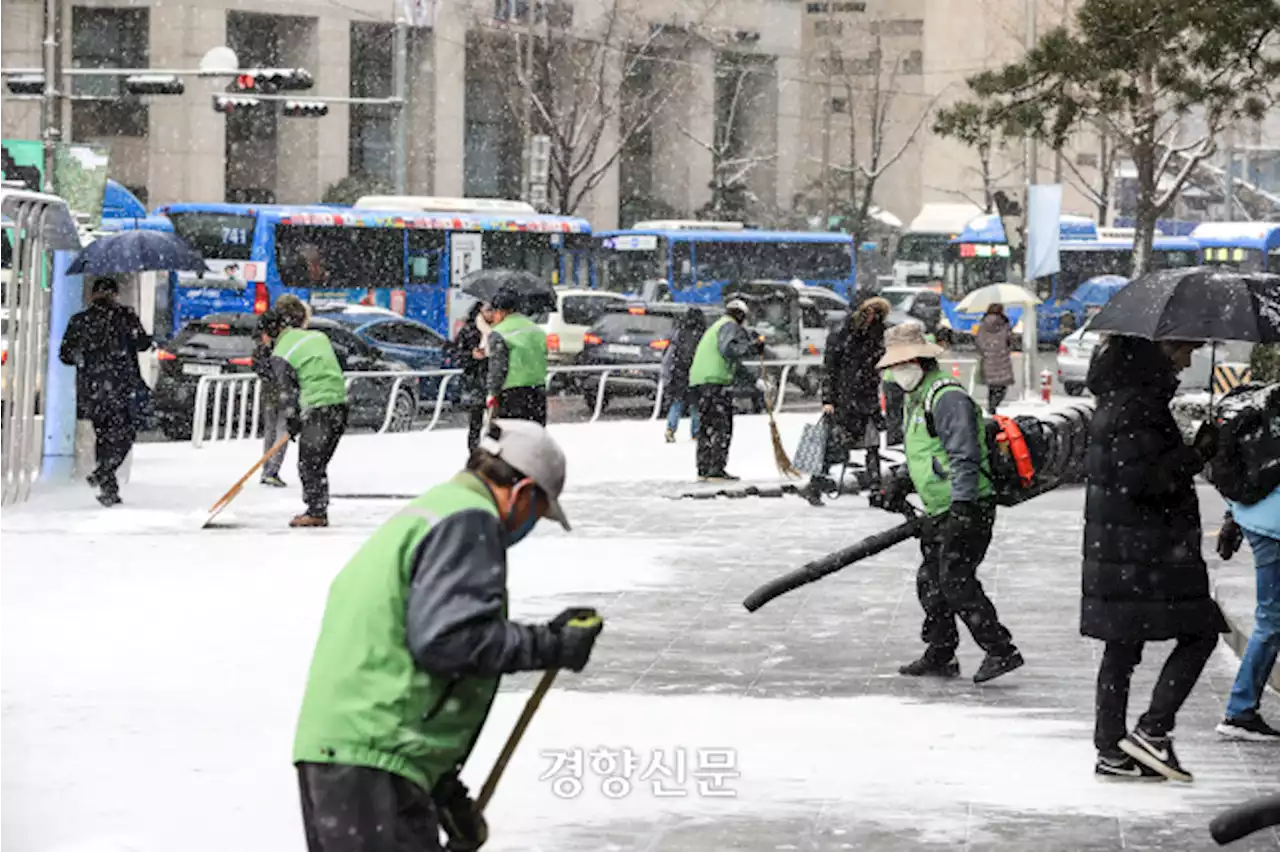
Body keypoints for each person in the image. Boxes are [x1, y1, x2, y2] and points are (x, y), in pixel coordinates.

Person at [293, 418, 604, 852]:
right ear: (524, 492)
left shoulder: (435, 509)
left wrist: (444, 792)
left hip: (347, 752)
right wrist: (551, 645)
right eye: (540, 511)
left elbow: (405, 653)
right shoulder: (469, 520)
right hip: (377, 760)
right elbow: (447, 641)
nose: (533, 523)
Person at [1082, 335, 1227, 782]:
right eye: (1184, 350)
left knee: (1122, 644)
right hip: (1148, 550)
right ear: (1159, 351)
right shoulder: (1139, 407)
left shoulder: (1117, 400)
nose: (1187, 361)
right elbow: (1145, 479)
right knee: (1201, 632)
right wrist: (1197, 453)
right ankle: (1153, 731)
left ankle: (1111, 747)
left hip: (1124, 548)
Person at [872, 323, 1023, 685]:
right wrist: (901, 482)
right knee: (932, 580)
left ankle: (1001, 650)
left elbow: (964, 456)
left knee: (955, 580)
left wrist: (963, 507)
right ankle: (941, 652)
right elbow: (929, 454)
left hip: (968, 504)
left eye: (905, 362)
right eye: (895, 364)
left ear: (922, 360)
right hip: (941, 508)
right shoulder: (918, 398)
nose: (898, 370)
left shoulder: (946, 396)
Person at [58, 276, 152, 507]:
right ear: (115, 293)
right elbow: (142, 344)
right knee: (126, 433)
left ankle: (107, 483)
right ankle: (105, 474)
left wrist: (83, 355)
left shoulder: (81, 320)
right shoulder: (125, 317)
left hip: (94, 388)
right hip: (123, 386)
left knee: (105, 436)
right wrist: (143, 338)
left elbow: (65, 355)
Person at [271, 295, 350, 528]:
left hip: (317, 408)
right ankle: (318, 507)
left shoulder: (282, 349)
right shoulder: (320, 337)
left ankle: (316, 511)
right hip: (340, 404)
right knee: (317, 463)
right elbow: (339, 359)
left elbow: (287, 390)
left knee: (309, 464)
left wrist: (292, 418)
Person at [811, 295, 891, 502]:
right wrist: (828, 399)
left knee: (868, 444)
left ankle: (875, 488)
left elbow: (831, 368)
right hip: (849, 398)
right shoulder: (847, 335)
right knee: (839, 444)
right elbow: (830, 369)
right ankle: (817, 484)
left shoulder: (868, 334)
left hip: (860, 397)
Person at [1217, 496, 1280, 742]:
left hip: (1256, 518)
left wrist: (1233, 514)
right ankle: (1239, 711)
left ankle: (1241, 709)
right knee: (1271, 621)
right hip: (1273, 527)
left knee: (1271, 619)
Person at [688, 298, 767, 482]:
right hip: (715, 382)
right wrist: (753, 347)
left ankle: (704, 469)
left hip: (700, 381)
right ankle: (716, 470)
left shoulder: (717, 326)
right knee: (722, 426)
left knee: (706, 427)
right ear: (740, 315)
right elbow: (730, 350)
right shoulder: (730, 326)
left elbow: (734, 364)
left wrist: (755, 380)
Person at [485, 289, 548, 425]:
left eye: (494, 312)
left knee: (513, 437)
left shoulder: (499, 332)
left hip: (512, 392)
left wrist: (492, 392)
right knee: (535, 436)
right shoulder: (537, 330)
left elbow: (498, 367)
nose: (493, 317)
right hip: (538, 390)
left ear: (501, 311)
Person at [253, 309, 289, 488]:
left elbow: (260, 367)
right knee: (282, 430)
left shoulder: (261, 349)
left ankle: (267, 468)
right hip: (282, 391)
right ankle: (272, 470)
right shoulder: (283, 346)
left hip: (269, 392)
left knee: (270, 431)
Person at [662, 308, 706, 443]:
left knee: (677, 403)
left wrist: (668, 375)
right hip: (696, 374)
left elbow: (669, 356)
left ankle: (671, 428)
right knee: (695, 406)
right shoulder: (703, 335)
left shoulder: (679, 333)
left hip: (679, 373)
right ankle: (696, 432)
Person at [451, 302, 490, 452]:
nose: (491, 314)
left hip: (496, 380)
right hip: (475, 380)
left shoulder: (501, 329)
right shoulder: (469, 330)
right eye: (488, 310)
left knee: (498, 423)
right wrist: (471, 355)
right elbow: (455, 354)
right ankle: (474, 453)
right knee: (476, 422)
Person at [975, 303, 1015, 414]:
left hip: (988, 359)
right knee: (1002, 386)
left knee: (992, 386)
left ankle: (991, 406)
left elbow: (979, 342)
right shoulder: (1004, 323)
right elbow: (1009, 340)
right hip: (1002, 359)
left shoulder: (983, 324)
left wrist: (986, 351)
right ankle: (994, 404)